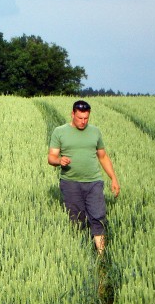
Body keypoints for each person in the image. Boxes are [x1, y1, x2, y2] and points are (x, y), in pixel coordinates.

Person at [47, 100, 120, 254]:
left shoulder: (95, 132)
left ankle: (101, 256)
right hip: (70, 182)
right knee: (76, 219)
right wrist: (59, 160)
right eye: (80, 118)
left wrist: (113, 178)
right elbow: (51, 157)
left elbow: (103, 156)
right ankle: (80, 252)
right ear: (72, 114)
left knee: (98, 216)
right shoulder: (59, 132)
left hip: (94, 181)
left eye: (86, 118)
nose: (83, 121)